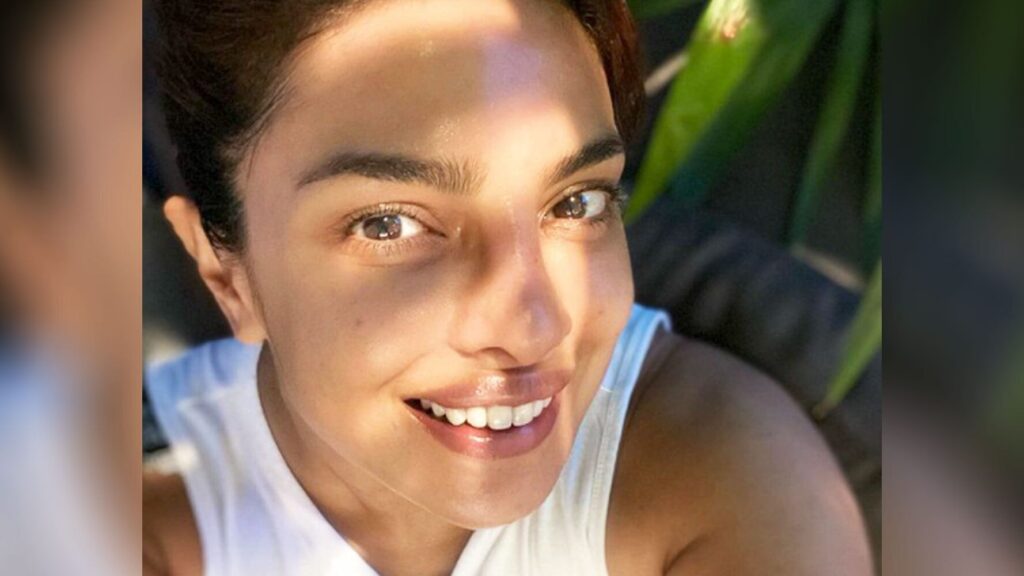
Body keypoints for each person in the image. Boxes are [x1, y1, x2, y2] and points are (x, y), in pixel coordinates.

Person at [143, 0, 871, 574]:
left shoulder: (733, 483)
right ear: (225, 273)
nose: (533, 328)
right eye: (390, 224)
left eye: (577, 202)